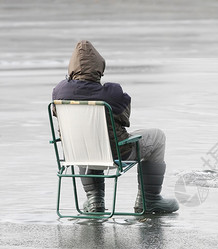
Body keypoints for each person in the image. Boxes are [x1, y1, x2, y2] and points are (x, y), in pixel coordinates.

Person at [52, 40, 179, 214]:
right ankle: (149, 200)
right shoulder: (111, 92)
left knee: (82, 137)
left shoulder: (59, 92)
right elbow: (126, 119)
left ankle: (94, 200)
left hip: (76, 154)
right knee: (158, 137)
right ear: (99, 67)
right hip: (115, 154)